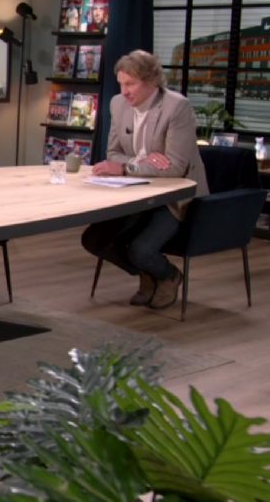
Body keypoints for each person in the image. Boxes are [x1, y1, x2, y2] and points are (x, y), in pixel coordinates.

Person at [81, 50, 209, 310]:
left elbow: (175, 167)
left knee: (141, 249)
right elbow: (113, 154)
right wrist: (144, 160)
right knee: (94, 239)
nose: (124, 92)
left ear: (151, 81)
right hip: (135, 191)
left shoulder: (176, 107)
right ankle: (147, 274)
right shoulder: (118, 104)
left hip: (175, 196)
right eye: (121, 84)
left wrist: (127, 167)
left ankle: (168, 275)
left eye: (130, 84)